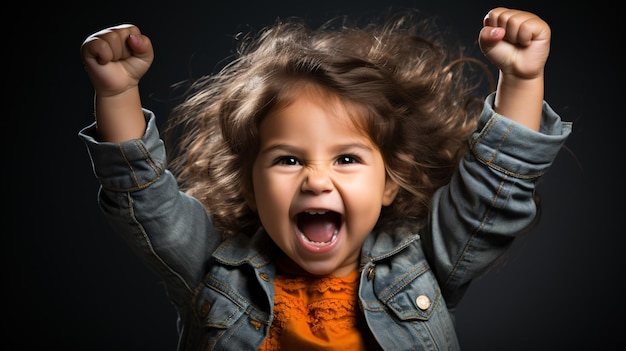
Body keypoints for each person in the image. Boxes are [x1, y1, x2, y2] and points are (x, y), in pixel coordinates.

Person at [78, 7, 571, 350]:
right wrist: (118, 93)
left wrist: (522, 80)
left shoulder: (425, 263)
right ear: (250, 183)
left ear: (388, 183)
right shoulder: (214, 270)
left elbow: (495, 184)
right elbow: (146, 201)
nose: (316, 179)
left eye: (347, 159)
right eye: (288, 160)